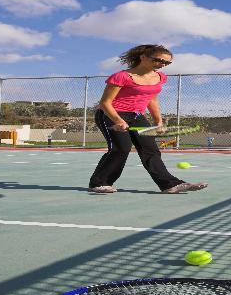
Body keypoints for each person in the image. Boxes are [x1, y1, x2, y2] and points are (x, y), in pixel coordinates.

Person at [89, 44, 208, 194]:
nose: (162, 65)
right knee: (121, 148)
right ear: (143, 57)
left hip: (137, 116)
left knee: (150, 150)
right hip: (110, 114)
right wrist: (118, 120)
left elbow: (152, 99)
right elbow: (105, 103)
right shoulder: (122, 76)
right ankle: (99, 183)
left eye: (166, 63)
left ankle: (169, 185)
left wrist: (158, 121)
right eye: (158, 60)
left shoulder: (160, 77)